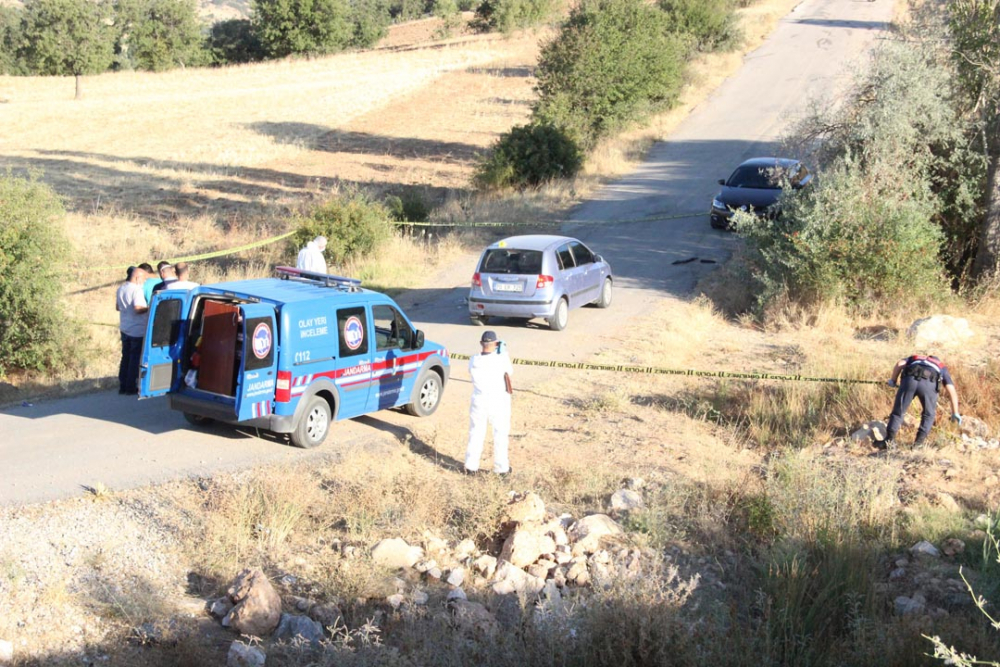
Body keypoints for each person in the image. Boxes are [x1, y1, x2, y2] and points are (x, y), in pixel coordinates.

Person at [464, 330, 514, 475]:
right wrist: (504, 352)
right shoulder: (501, 359)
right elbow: (509, 371)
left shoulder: (474, 360)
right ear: (495, 344)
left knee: (476, 432)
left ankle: (471, 466)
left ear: (481, 344)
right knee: (500, 434)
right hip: (498, 400)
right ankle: (501, 468)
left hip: (479, 400)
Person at [885, 354, 961, 447]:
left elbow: (900, 363)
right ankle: (918, 444)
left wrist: (893, 380)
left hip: (909, 379)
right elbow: (951, 390)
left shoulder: (914, 358)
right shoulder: (940, 365)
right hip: (929, 383)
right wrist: (955, 412)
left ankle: (889, 441)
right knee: (928, 415)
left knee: (899, 411)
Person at [116, 265, 149, 395]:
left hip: (125, 327)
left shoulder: (121, 288)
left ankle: (123, 385)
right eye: (144, 279)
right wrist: (150, 307)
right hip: (137, 330)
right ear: (137, 277)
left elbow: (118, 307)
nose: (145, 281)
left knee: (126, 357)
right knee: (135, 359)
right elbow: (137, 308)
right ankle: (131, 386)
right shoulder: (136, 290)